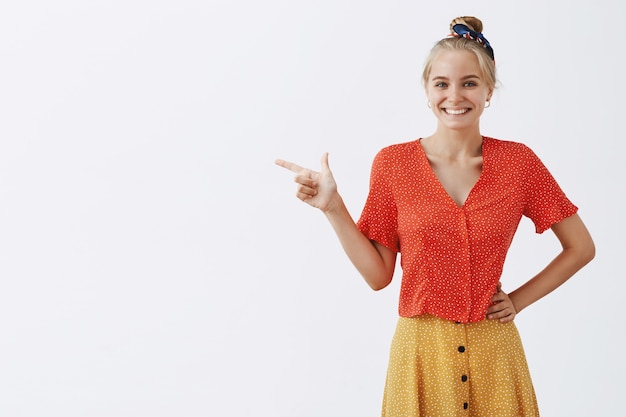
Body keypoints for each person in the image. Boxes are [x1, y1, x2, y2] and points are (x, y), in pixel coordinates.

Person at [275, 16, 595, 417]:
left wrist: (516, 300)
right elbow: (379, 277)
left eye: (469, 82)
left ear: (489, 90)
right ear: (427, 91)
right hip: (420, 356)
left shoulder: (519, 164)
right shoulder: (393, 164)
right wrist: (334, 208)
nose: (454, 95)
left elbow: (581, 247)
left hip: (494, 355)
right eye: (441, 83)